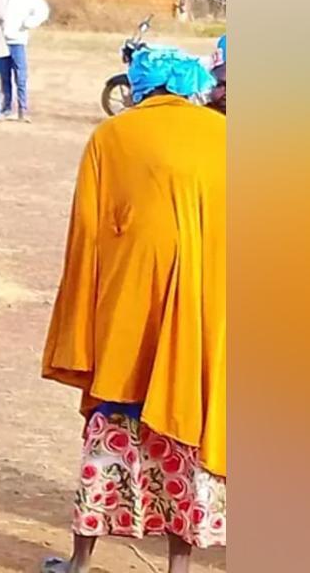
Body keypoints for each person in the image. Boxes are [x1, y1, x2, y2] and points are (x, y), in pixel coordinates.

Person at [40, 46, 225, 573]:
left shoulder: (111, 136)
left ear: (142, 85)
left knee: (111, 428)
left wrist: (81, 322)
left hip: (129, 311)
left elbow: (87, 233)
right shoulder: (225, 135)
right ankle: (178, 568)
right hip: (204, 313)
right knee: (188, 432)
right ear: (190, 83)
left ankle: (80, 563)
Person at [0, 0, 50, 122]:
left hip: (17, 41)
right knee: (4, 76)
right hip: (2, 41)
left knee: (20, 77)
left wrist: (27, 24)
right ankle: (6, 107)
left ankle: (23, 109)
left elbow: (42, 11)